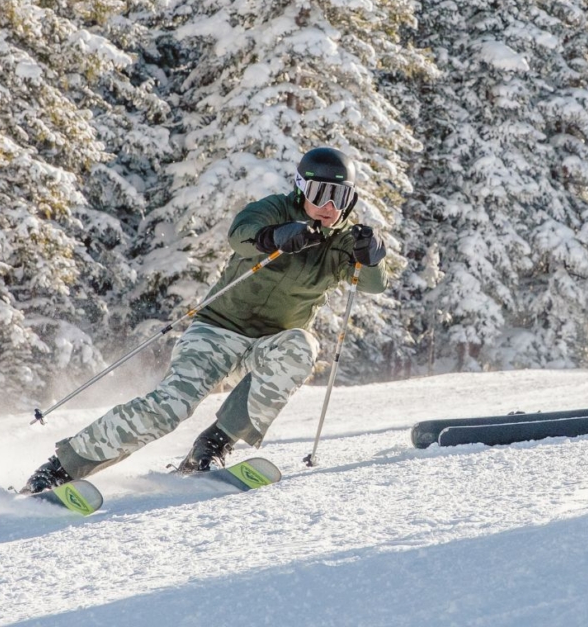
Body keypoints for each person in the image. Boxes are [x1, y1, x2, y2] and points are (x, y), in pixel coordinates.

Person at [22, 147, 388, 493]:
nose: (327, 206)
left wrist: (370, 257)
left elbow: (372, 285)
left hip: (268, 345)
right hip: (217, 331)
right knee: (170, 408)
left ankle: (210, 447)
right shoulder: (275, 210)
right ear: (300, 189)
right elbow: (240, 235)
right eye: (320, 192)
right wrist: (275, 236)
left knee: (302, 347)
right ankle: (61, 467)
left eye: (338, 197)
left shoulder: (343, 241)